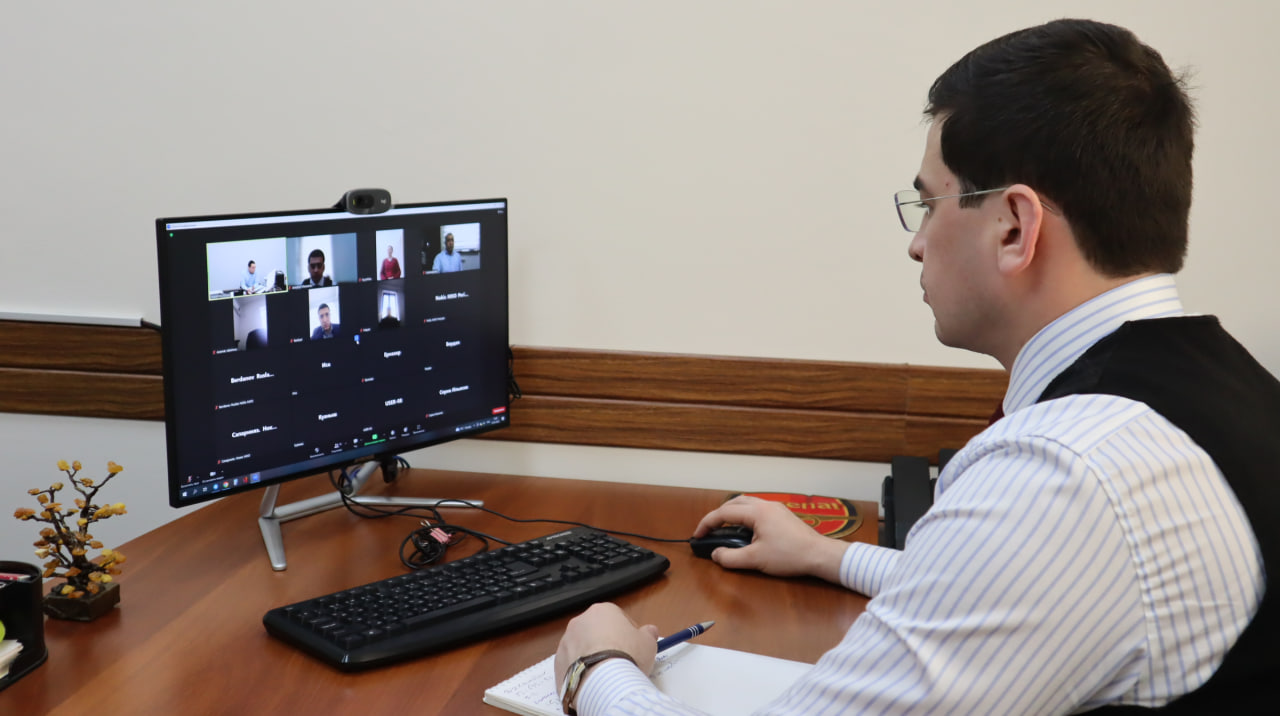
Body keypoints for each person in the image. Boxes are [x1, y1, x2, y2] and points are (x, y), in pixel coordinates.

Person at [555, 19, 1277, 715]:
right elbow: (1021, 592)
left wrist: (601, 668)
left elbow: (1037, 550)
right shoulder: (1223, 392)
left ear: (1014, 227)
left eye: (930, 205)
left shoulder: (1065, 472)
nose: (917, 243)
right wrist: (829, 557)